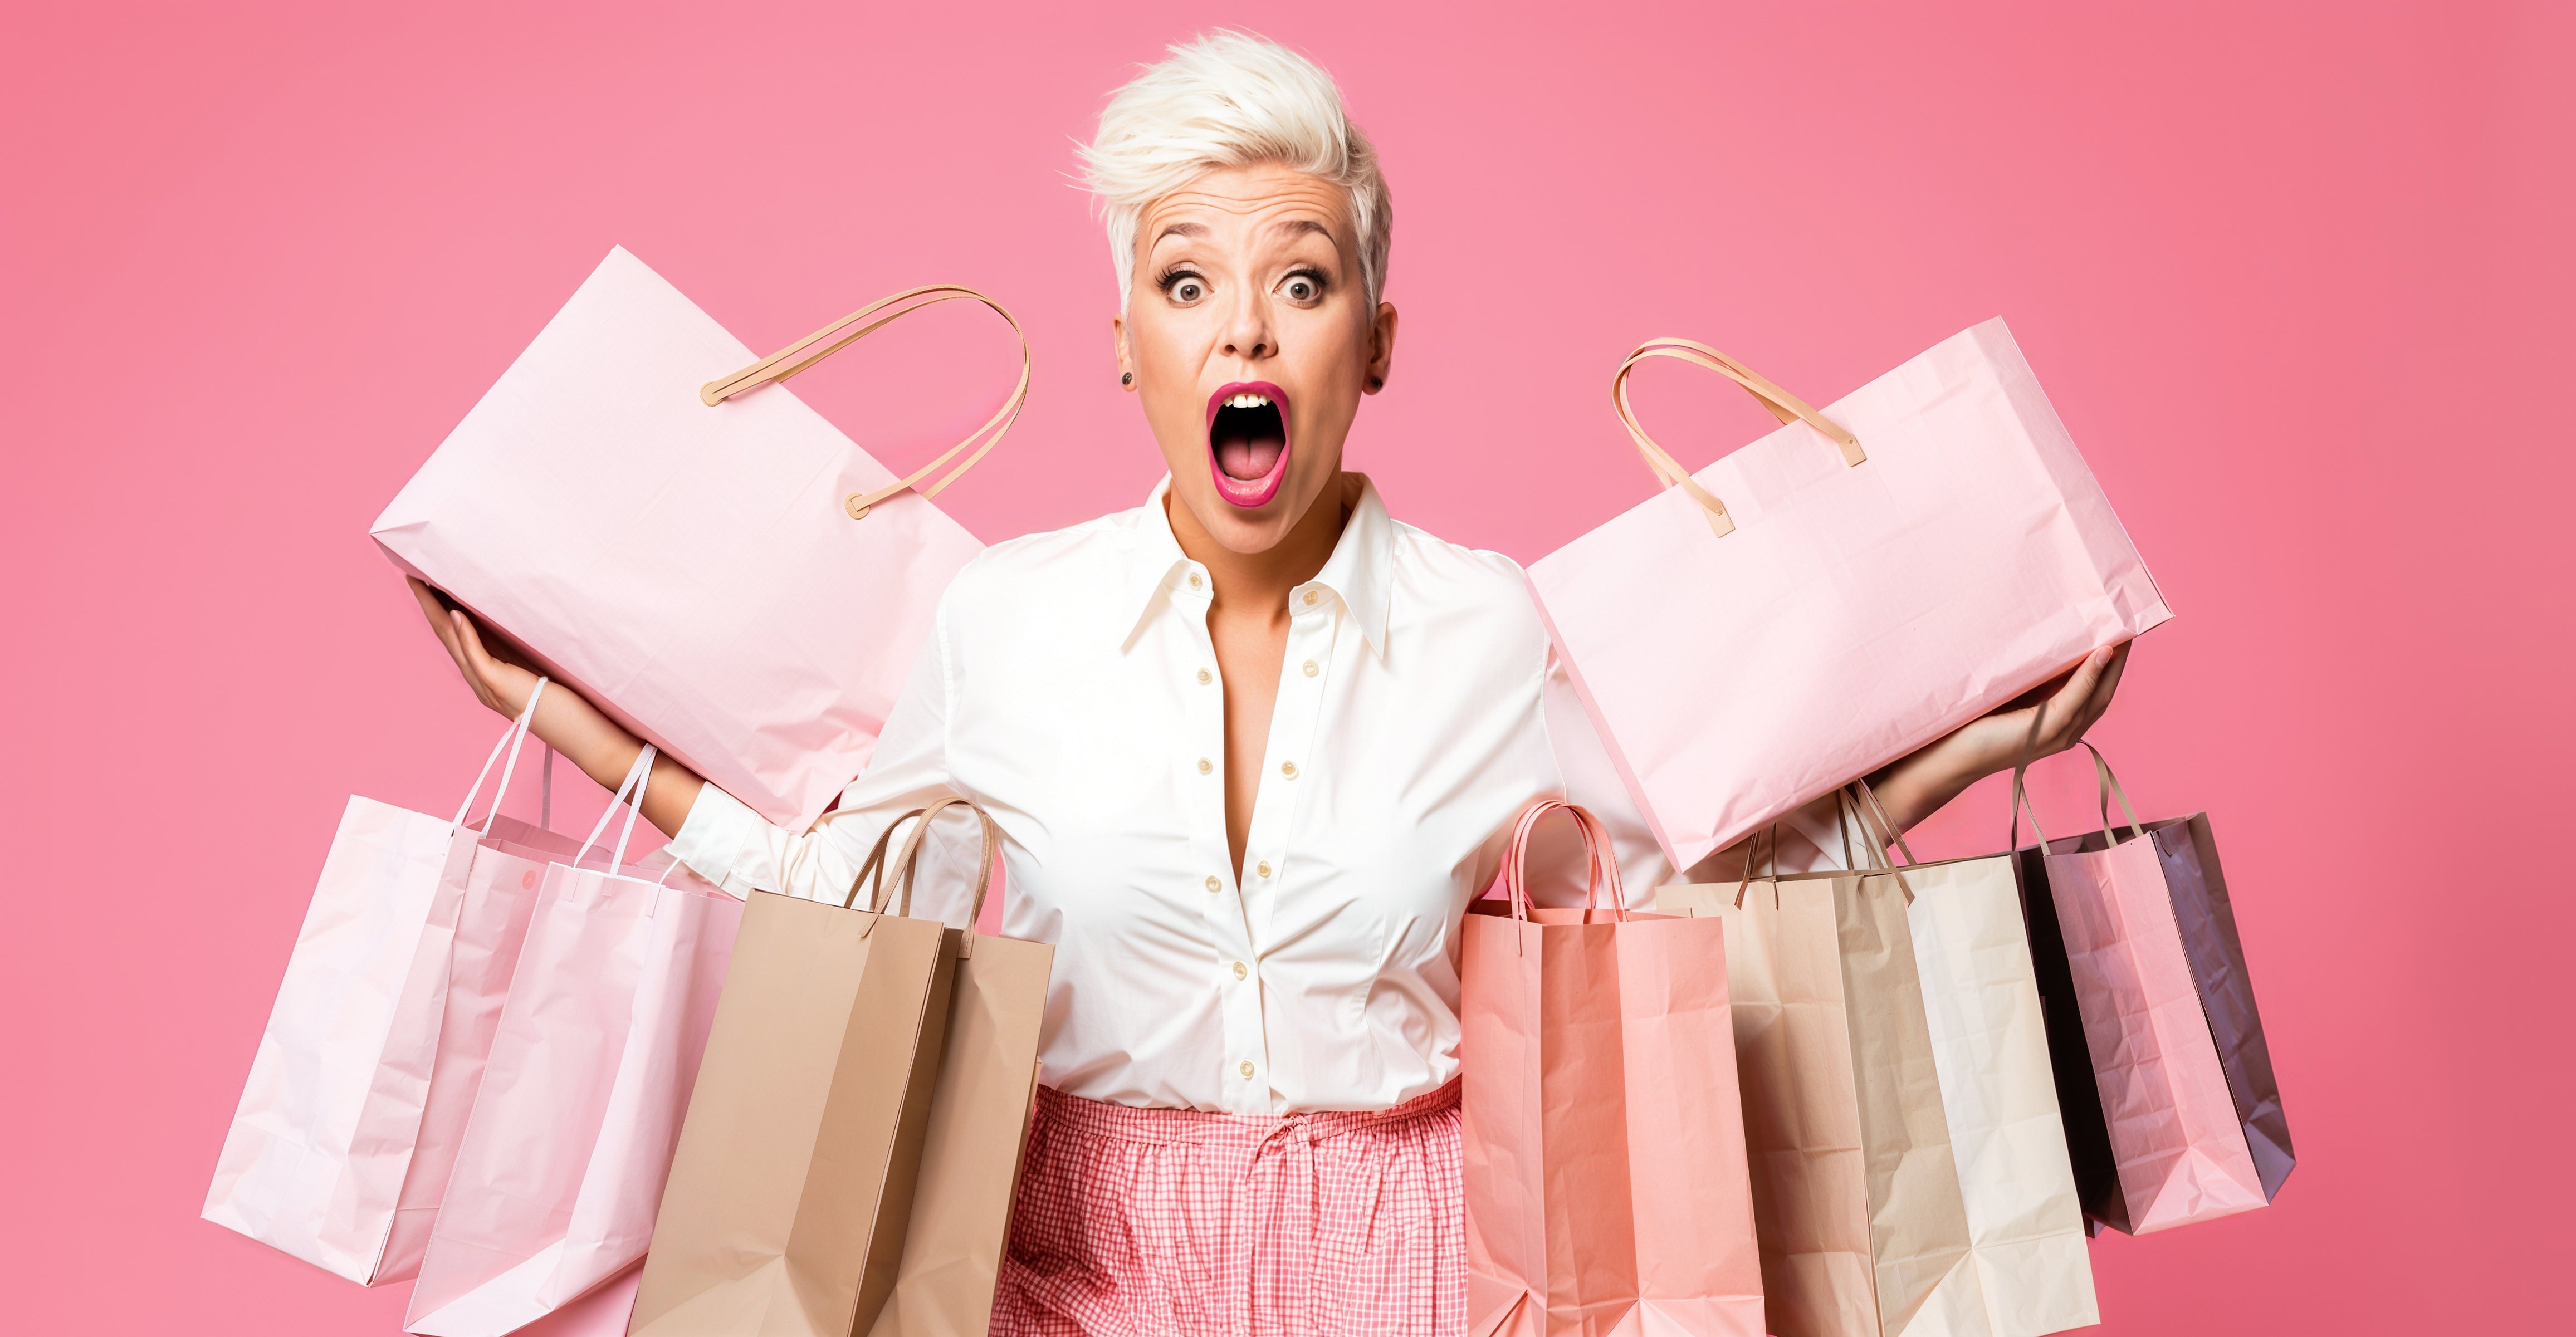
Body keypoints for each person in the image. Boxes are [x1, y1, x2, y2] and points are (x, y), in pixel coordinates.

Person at [413, 30, 2126, 1337]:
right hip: (1070, 1261)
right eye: (1186, 282)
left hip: (1430, 1263)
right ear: (1125, 344)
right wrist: (563, 715)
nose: (1243, 331)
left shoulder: (1491, 627)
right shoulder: (1002, 621)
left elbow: (1669, 905)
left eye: (1299, 282)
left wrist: (1942, 765)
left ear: (1373, 338)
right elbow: (861, 903)